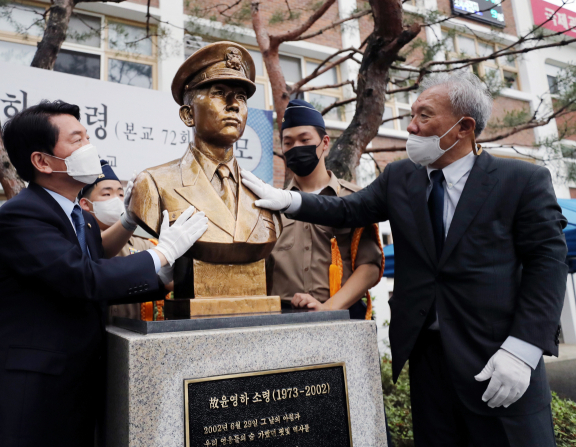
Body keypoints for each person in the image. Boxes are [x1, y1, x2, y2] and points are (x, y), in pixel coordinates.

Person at [242, 72, 567, 447]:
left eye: (424, 116)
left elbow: (548, 263)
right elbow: (349, 209)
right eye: (412, 114)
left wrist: (522, 350)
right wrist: (290, 201)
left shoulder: (521, 180)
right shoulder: (401, 177)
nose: (411, 125)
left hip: (497, 360)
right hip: (427, 360)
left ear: (464, 127)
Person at [0, 100, 208, 447]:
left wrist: (163, 280)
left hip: (75, 386)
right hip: (27, 393)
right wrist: (161, 252)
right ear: (42, 161)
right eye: (77, 140)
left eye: (88, 137)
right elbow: (83, 278)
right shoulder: (21, 216)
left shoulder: (81, 218)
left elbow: (96, 281)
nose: (89, 148)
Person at [131, 41, 281, 297]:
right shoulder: (154, 183)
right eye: (219, 93)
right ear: (188, 115)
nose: (234, 104)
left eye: (241, 97)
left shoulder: (263, 192)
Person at [267, 99, 383, 319]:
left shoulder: (355, 198)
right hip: (282, 318)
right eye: (288, 142)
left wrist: (329, 307)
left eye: (304, 139)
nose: (296, 148)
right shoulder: (272, 206)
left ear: (325, 142)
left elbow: (370, 266)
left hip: (343, 315)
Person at [78, 159, 166, 321]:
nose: (116, 200)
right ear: (85, 204)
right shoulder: (80, 245)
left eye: (120, 194)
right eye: (107, 194)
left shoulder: (147, 245)